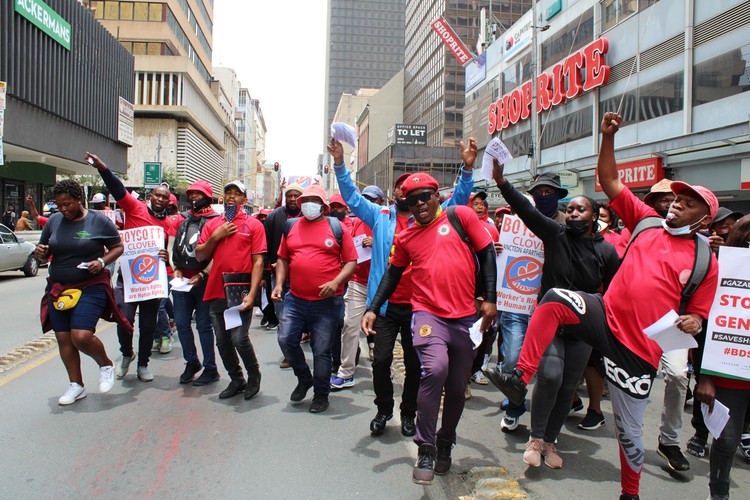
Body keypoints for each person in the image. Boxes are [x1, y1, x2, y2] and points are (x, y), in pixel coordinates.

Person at [490, 112, 719, 500]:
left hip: (638, 347)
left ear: (704, 217)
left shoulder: (704, 260)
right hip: (603, 317)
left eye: (689, 203)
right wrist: (608, 137)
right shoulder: (645, 219)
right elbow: (610, 180)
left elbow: (700, 311)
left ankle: (630, 492)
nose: (677, 204)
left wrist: (695, 319)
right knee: (554, 300)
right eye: (677, 198)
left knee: (629, 433)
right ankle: (519, 377)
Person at [331, 137, 476, 438]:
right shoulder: (380, 216)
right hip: (385, 307)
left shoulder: (433, 218)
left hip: (420, 308)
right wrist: (340, 164)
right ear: (397, 193)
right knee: (381, 361)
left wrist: (467, 169)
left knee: (415, 365)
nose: (404, 191)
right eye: (400, 187)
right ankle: (384, 409)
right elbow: (352, 198)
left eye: (412, 188)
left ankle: (408, 413)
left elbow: (460, 199)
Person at [361, 172, 497, 485]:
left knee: (457, 385)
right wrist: (372, 308)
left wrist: (490, 297)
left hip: (464, 317)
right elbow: (392, 276)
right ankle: (426, 446)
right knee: (434, 370)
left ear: (437, 196)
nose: (420, 204)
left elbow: (486, 253)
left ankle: (445, 441)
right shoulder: (406, 237)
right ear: (405, 203)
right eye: (412, 199)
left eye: (425, 196)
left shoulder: (460, 216)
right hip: (426, 315)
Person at [487, 162, 619, 469]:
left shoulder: (607, 252)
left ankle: (550, 441)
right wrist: (503, 181)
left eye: (580, 210)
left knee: (569, 384)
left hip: (582, 330)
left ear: (594, 218)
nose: (572, 214)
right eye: (569, 209)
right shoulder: (555, 234)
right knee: (550, 376)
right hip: (549, 325)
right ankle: (535, 439)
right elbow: (526, 209)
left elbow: (614, 292)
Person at [35, 179, 130, 405]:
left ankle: (106, 364)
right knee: (64, 339)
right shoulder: (54, 221)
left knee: (81, 336)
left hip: (91, 285)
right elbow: (43, 251)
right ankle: (76, 385)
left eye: (67, 204)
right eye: (59, 205)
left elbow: (118, 247)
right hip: (59, 288)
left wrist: (102, 260)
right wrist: (41, 252)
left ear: (79, 200)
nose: (63, 209)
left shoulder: (98, 222)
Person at [86, 152, 173, 383]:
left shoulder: (169, 225)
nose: (160, 200)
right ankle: (127, 354)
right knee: (124, 321)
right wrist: (102, 167)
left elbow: (174, 254)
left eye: (165, 198)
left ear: (169, 201)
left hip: (151, 283)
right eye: (157, 195)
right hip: (127, 280)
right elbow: (117, 188)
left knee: (147, 326)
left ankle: (143, 364)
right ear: (150, 196)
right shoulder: (135, 208)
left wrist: (167, 257)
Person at [493, 172, 569, 432]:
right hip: (517, 303)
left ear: (559, 195)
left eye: (549, 192)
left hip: (548, 309)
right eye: (539, 193)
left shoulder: (566, 227)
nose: (544, 197)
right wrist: (497, 251)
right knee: (513, 359)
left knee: (550, 372)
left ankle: (547, 423)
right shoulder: (517, 223)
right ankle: (515, 406)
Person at [272, 185, 358, 413]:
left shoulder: (336, 227)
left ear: (323, 205)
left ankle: (321, 394)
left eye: (314, 200)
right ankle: (304, 378)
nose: (309, 203)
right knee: (286, 339)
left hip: (327, 304)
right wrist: (279, 284)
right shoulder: (291, 226)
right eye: (305, 200)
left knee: (322, 351)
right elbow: (283, 258)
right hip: (296, 299)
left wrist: (336, 282)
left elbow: (351, 261)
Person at [695, 214, 750, 500]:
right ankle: (718, 494)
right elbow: (710, 327)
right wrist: (705, 376)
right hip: (732, 375)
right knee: (727, 441)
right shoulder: (721, 272)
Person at [196, 180, 266, 401]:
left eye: (238, 193)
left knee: (239, 338)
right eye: (229, 193)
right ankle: (237, 379)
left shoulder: (254, 225)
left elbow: (258, 263)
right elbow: (200, 255)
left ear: (245, 199)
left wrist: (253, 294)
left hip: (240, 292)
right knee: (222, 341)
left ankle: (254, 375)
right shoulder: (212, 224)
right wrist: (216, 236)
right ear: (222, 197)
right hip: (216, 291)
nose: (232, 197)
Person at [169, 180, 220, 386]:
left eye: (199, 194)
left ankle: (211, 368)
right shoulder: (180, 220)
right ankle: (191, 362)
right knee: (181, 323)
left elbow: (219, 255)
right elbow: (171, 247)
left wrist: (204, 275)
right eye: (191, 194)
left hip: (204, 282)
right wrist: (175, 269)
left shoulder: (216, 221)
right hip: (182, 282)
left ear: (208, 197)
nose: (194, 197)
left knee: (204, 326)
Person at [330, 187, 378, 389]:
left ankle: (387, 370)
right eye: (363, 199)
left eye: (371, 200)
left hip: (381, 284)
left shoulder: (385, 221)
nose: (366, 203)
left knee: (384, 332)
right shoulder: (354, 224)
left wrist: (377, 243)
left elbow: (399, 246)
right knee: (350, 326)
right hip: (358, 282)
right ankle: (346, 372)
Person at [265, 183, 304, 345]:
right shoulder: (273, 216)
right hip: (277, 276)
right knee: (282, 314)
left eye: (296, 196)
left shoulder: (307, 217)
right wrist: (266, 272)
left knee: (300, 314)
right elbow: (265, 246)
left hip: (300, 277)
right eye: (289, 195)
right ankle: (288, 350)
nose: (293, 199)